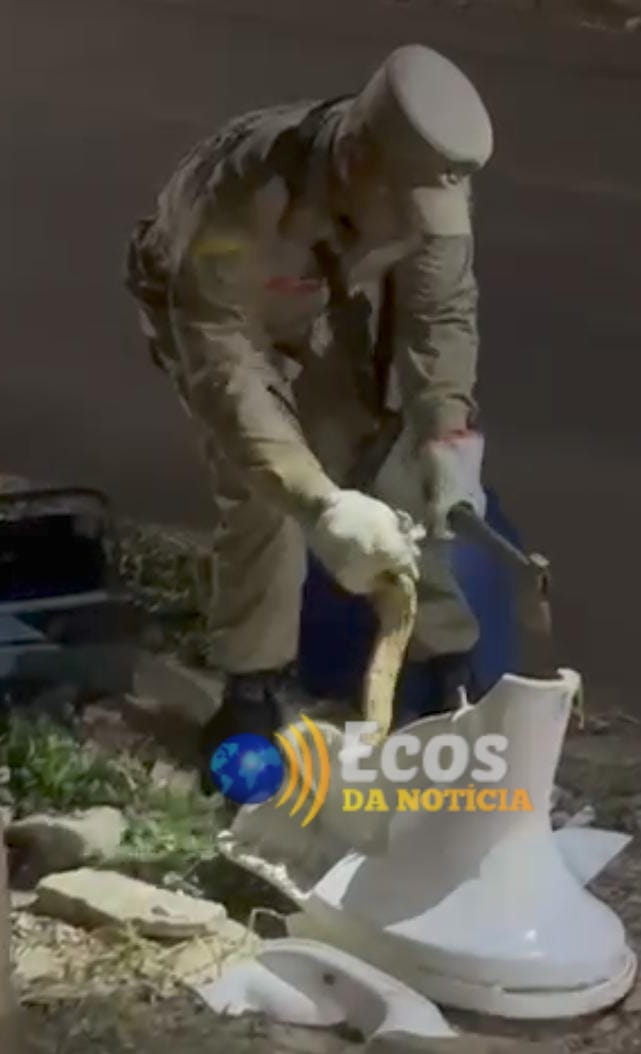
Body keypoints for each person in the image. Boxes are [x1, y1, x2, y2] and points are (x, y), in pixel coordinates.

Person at [124, 44, 494, 757]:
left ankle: (446, 675)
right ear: (356, 162)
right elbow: (225, 361)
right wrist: (319, 503)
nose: (418, 224)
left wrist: (449, 444)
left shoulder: (425, 182)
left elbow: (440, 319)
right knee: (266, 485)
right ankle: (251, 691)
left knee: (389, 455)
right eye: (405, 208)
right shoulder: (241, 195)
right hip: (215, 313)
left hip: (327, 294)